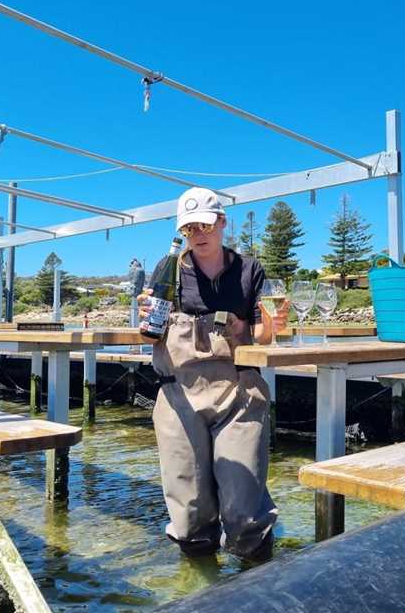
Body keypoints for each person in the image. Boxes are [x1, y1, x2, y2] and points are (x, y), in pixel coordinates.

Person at [138, 187, 289, 562]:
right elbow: (149, 334)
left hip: (239, 392)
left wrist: (273, 326)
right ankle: (198, 587)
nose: (198, 234)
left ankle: (258, 583)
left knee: (244, 509)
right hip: (178, 395)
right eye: (189, 228)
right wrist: (144, 318)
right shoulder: (167, 268)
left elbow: (263, 336)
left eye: (204, 224)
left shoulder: (250, 270)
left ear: (222, 222)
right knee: (188, 513)